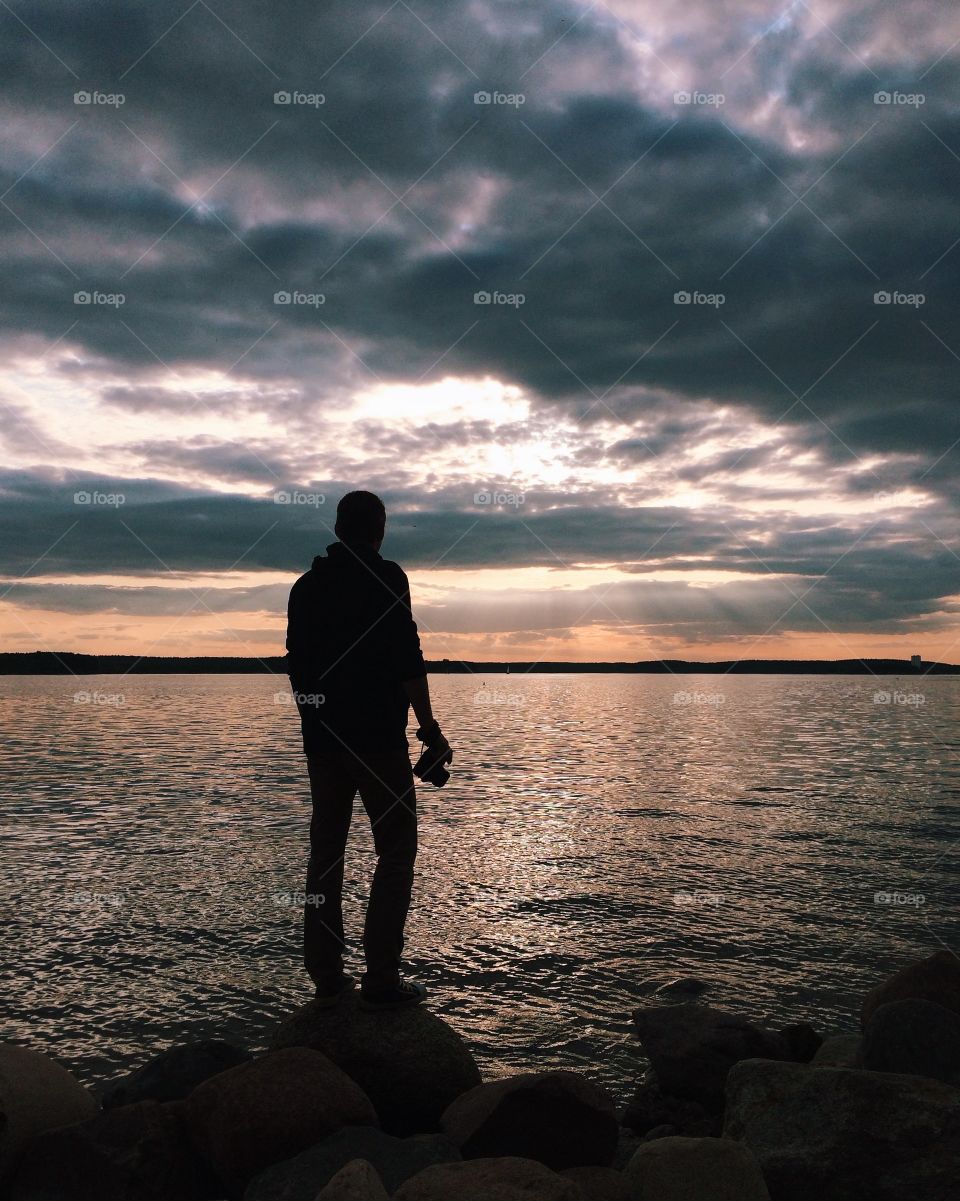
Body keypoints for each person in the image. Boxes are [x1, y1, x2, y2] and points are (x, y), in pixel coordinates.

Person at [285, 490, 451, 1009]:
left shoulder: (306, 587)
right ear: (379, 531)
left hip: (324, 743)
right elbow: (408, 658)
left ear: (338, 529)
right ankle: (381, 978)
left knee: (326, 855)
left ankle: (327, 977)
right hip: (379, 742)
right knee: (396, 853)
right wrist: (430, 729)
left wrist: (315, 726)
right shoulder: (389, 578)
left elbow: (297, 666)